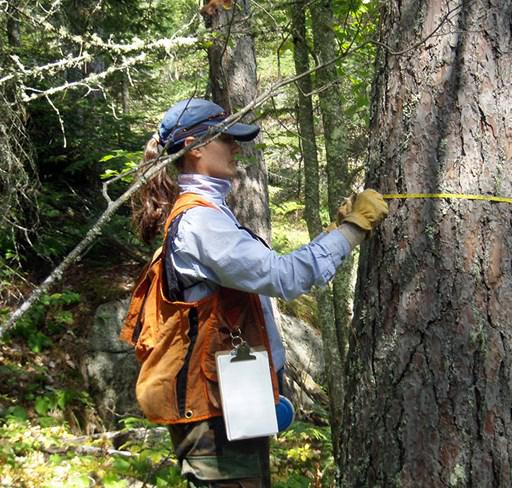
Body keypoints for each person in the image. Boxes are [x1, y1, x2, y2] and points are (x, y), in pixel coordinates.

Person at [120, 98, 388, 488]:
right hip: (212, 418)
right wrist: (352, 230)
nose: (237, 147)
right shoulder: (199, 222)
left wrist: (334, 231)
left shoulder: (207, 213)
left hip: (223, 408)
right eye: (227, 139)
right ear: (195, 147)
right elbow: (283, 277)